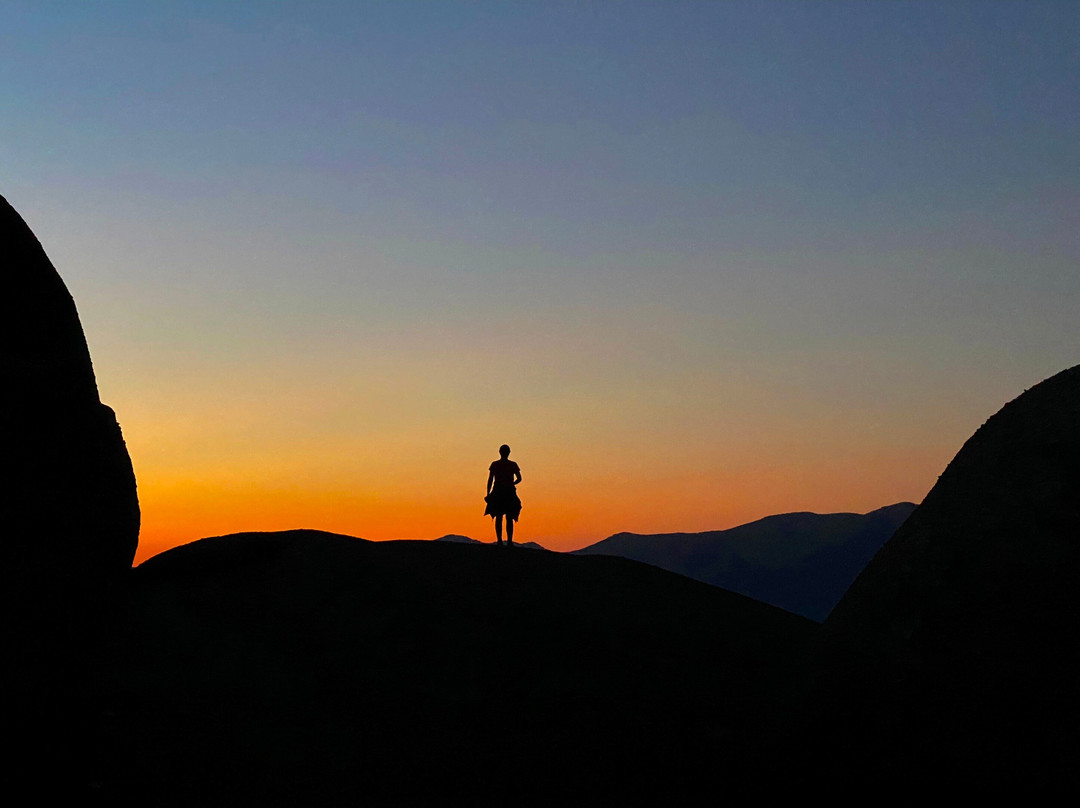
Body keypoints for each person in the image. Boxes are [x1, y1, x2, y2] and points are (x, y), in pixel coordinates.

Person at [484, 444, 522, 546]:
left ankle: (501, 541)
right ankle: (508, 541)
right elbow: (519, 478)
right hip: (507, 492)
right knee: (508, 517)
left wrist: (488, 493)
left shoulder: (495, 464)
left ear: (500, 452)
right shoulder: (512, 464)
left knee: (499, 517)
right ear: (509, 453)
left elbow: (490, 480)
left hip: (499, 492)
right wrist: (512, 483)